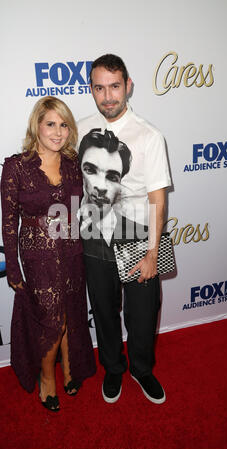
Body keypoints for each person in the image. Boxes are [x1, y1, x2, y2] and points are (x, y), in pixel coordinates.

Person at [77, 54, 171, 404]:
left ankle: (142, 370)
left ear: (128, 86)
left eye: (114, 86)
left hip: (136, 231)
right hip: (92, 229)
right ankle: (113, 369)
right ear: (92, 89)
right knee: (103, 309)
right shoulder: (80, 127)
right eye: (99, 88)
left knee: (143, 312)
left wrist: (151, 252)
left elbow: (157, 198)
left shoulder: (149, 135)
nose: (108, 96)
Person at [0, 97, 96, 412]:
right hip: (37, 253)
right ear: (37, 126)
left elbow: (79, 212)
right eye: (50, 124)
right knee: (51, 319)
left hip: (71, 249)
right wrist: (12, 269)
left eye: (64, 125)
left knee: (69, 311)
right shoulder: (17, 166)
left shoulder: (72, 164)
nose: (58, 132)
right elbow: (8, 221)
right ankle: (46, 380)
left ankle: (69, 370)